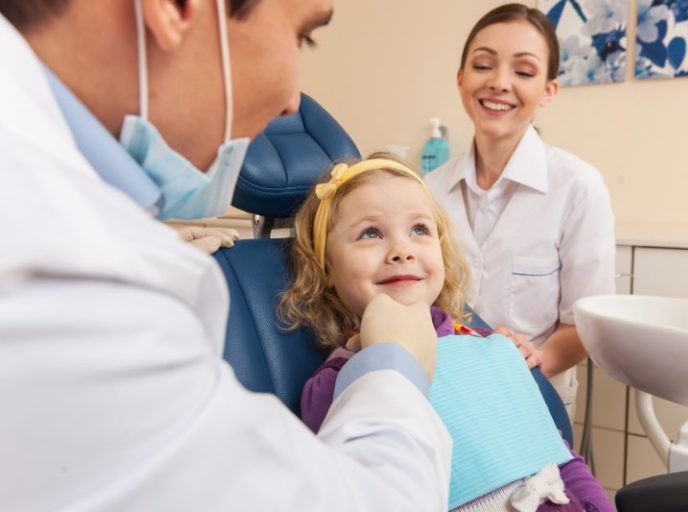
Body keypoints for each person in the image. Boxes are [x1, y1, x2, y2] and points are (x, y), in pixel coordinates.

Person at [0, 1, 453, 510]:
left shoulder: (56, 223)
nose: (291, 105)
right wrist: (392, 366)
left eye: (419, 229)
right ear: (174, 9)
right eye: (302, 36)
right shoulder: (59, 268)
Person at [279, 156, 615, 511]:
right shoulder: (334, 384)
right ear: (326, 266)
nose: (401, 251)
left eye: (419, 230)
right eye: (371, 233)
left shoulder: (489, 346)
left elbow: (561, 458)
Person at [424, 3, 616, 418]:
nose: (499, 83)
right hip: (444, 395)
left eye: (524, 72)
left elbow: (584, 325)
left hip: (533, 398)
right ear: (460, 79)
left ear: (548, 90)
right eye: (482, 65)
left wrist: (529, 362)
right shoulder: (427, 191)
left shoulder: (578, 188)